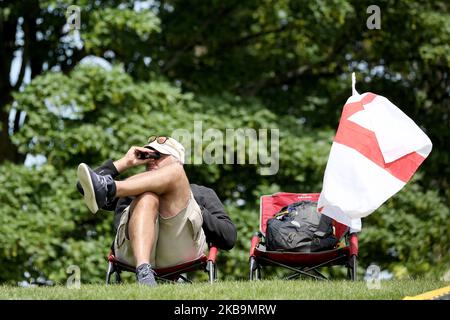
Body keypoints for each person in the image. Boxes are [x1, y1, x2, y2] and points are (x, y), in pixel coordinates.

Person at [76, 136, 237, 287]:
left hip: (180, 248)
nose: (151, 160)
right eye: (148, 156)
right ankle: (144, 271)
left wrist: (194, 208)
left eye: (158, 155)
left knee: (172, 176)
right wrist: (125, 162)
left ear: (178, 160)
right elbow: (85, 187)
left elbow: (229, 237)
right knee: (147, 196)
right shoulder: (132, 187)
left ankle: (110, 187)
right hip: (131, 250)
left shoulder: (201, 192)